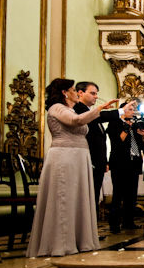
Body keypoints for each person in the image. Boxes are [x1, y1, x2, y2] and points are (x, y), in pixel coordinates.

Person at [26, 78, 118, 257]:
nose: (76, 92)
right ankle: (61, 243)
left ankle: (78, 239)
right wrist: (100, 108)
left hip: (77, 157)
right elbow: (76, 121)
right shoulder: (57, 108)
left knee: (77, 198)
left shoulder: (68, 108)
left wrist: (98, 110)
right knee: (64, 198)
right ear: (64, 92)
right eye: (73, 90)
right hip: (64, 157)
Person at [73, 81, 122, 213]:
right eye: (92, 93)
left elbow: (100, 140)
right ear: (80, 93)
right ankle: (87, 231)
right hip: (88, 161)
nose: (96, 97)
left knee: (93, 196)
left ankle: (91, 232)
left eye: (96, 94)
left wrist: (103, 161)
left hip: (97, 162)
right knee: (88, 197)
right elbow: (89, 139)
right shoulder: (79, 110)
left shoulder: (90, 112)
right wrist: (121, 111)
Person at [107, 99, 144, 233]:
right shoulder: (115, 123)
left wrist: (142, 136)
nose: (132, 111)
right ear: (122, 111)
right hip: (120, 162)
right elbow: (117, 141)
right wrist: (127, 127)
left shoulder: (134, 125)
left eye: (133, 109)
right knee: (118, 194)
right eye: (129, 109)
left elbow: (139, 146)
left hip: (133, 163)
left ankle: (128, 222)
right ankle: (114, 224)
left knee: (131, 195)